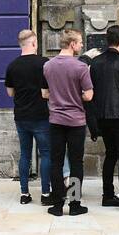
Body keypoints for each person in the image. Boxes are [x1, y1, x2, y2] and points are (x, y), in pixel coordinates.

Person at [42, 29, 94, 216]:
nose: (81, 45)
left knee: (56, 162)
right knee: (76, 162)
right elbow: (88, 95)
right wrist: (75, 95)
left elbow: (45, 93)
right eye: (79, 42)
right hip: (76, 121)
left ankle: (57, 204)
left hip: (55, 120)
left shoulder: (48, 65)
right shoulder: (80, 67)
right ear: (72, 44)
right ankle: (74, 204)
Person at [89, 25, 119, 212]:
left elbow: (92, 92)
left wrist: (94, 119)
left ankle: (107, 194)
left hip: (103, 115)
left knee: (110, 154)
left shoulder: (96, 62)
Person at [5, 29, 51, 205]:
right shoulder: (44, 63)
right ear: (34, 43)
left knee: (25, 154)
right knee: (46, 154)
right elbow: (46, 93)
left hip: (21, 115)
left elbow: (10, 93)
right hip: (40, 115)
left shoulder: (12, 65)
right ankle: (46, 193)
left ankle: (24, 193)